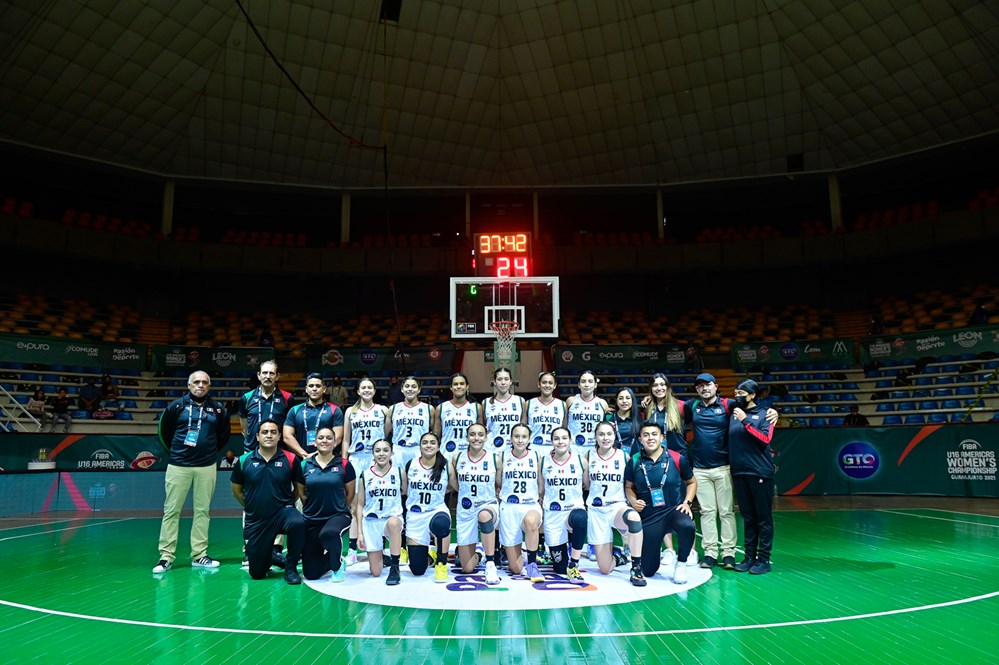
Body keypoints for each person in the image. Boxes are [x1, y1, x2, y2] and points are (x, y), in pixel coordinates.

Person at [685, 373, 778, 571]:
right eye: (700, 386)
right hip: (715, 470)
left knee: (734, 513)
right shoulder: (694, 406)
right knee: (716, 513)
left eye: (707, 384)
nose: (704, 388)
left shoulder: (731, 407)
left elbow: (763, 433)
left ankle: (735, 554)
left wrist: (773, 413)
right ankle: (719, 554)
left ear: (716, 386)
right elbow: (671, 406)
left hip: (734, 468)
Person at [153, 371, 230, 573]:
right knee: (171, 511)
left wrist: (208, 452)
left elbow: (223, 435)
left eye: (205, 382)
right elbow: (164, 433)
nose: (200, 385)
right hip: (178, 465)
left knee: (203, 511)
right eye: (196, 382)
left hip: (206, 466)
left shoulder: (218, 409)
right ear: (188, 385)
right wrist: (177, 452)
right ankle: (166, 557)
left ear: (209, 386)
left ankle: (199, 555)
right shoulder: (176, 406)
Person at [230, 419, 305, 584]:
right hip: (257, 518)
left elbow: (298, 490)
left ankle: (291, 567)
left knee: (298, 522)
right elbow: (236, 489)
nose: (269, 435)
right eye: (265, 432)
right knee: (257, 573)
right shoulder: (244, 460)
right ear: (257, 436)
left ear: (279, 436)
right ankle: (271, 556)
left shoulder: (291, 459)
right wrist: (251, 505)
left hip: (282, 512)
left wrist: (287, 504)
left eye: (273, 432)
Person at [624, 422, 697, 583]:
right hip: (650, 516)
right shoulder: (635, 460)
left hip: (673, 510)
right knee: (648, 570)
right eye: (646, 435)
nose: (651, 438)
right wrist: (633, 501)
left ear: (662, 437)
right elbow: (628, 487)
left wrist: (687, 502)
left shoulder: (677, 458)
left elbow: (692, 482)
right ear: (640, 440)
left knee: (687, 525)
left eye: (654, 434)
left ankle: (681, 564)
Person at [588, 422, 646, 586]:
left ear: (614, 436)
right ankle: (618, 557)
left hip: (616, 507)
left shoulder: (623, 456)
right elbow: (586, 484)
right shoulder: (588, 456)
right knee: (605, 569)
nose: (605, 438)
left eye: (609, 434)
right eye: (601, 434)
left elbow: (629, 485)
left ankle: (636, 568)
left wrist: (634, 501)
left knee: (633, 517)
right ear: (596, 437)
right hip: (597, 512)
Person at [728, 379, 776, 575]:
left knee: (763, 518)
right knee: (748, 517)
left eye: (742, 392)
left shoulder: (766, 414)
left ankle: (764, 559)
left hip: (760, 472)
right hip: (739, 472)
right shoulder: (732, 414)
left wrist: (745, 421)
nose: (738, 396)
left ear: (752, 395)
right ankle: (749, 557)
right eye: (736, 392)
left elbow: (765, 439)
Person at [299, 427, 355, 583]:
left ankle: (336, 568)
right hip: (312, 519)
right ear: (315, 442)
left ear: (335, 442)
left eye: (329, 438)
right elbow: (302, 493)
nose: (325, 441)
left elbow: (350, 494)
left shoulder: (344, 465)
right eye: (321, 438)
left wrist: (340, 509)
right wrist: (313, 508)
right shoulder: (305, 465)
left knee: (329, 533)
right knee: (311, 573)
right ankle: (336, 560)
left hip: (337, 516)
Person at [343, 377, 389, 564]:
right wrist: (345, 462)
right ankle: (352, 549)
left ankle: (381, 548)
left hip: (376, 459)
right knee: (355, 507)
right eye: (363, 387)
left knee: (380, 504)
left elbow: (386, 435)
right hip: (356, 459)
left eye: (370, 387)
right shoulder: (350, 412)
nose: (367, 390)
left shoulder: (383, 410)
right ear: (358, 391)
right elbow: (346, 439)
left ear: (374, 391)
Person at [449, 423, 501, 585]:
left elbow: (499, 484)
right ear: (466, 437)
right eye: (472, 434)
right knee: (467, 568)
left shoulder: (494, 458)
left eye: (480, 434)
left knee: (484, 516)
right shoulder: (457, 458)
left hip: (488, 506)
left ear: (486, 438)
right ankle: (479, 554)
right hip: (465, 510)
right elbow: (455, 484)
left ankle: (491, 563)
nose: (476, 438)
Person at [497, 423, 545, 583]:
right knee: (516, 569)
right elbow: (498, 482)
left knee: (531, 522)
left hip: (530, 504)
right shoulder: (501, 456)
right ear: (511, 438)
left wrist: (541, 497)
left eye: (524, 436)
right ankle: (521, 555)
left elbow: (540, 480)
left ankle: (532, 563)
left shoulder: (536, 456)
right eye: (516, 436)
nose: (520, 440)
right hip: (508, 507)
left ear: (529, 439)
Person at [402, 432, 452, 583]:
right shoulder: (411, 464)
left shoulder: (446, 466)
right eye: (425, 442)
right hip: (416, 514)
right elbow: (405, 490)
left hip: (436, 511)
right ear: (420, 446)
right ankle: (431, 556)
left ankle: (441, 563)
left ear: (438, 446)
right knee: (417, 570)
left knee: (441, 524)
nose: (428, 445)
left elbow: (455, 486)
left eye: (432, 442)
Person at [541, 427, 587, 580]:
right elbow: (541, 489)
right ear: (551, 441)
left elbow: (586, 485)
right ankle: (565, 554)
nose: (560, 441)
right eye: (556, 438)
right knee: (560, 568)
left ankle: (574, 563)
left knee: (580, 518)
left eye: (564, 438)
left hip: (572, 511)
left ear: (570, 440)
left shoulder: (580, 460)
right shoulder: (543, 461)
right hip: (553, 514)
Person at [356, 439, 405, 585]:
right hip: (371, 521)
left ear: (391, 453)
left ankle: (395, 567)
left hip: (390, 519)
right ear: (373, 454)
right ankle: (384, 558)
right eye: (377, 451)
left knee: (394, 523)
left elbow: (406, 493)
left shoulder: (399, 472)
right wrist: (359, 533)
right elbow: (359, 505)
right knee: (376, 572)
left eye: (385, 450)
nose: (381, 454)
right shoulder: (365, 475)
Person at [283, 373, 344, 458]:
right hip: (302, 460)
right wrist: (304, 455)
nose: (314, 389)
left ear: (324, 389)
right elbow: (287, 436)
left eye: (318, 386)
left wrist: (318, 454)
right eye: (311, 386)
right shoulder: (295, 410)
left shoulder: (335, 410)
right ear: (306, 389)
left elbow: (337, 438)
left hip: (327, 460)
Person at [238, 360, 294, 453]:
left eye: (271, 373)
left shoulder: (287, 398)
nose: (268, 376)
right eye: (265, 373)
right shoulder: (246, 398)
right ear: (259, 375)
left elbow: (290, 425)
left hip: (279, 451)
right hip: (251, 450)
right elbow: (244, 424)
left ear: (277, 376)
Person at [386, 376, 434, 470]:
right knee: (399, 482)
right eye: (407, 386)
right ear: (402, 389)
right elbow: (384, 433)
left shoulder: (429, 409)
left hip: (419, 450)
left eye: (413, 386)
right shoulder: (393, 409)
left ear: (419, 390)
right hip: (398, 450)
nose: (410, 389)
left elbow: (435, 434)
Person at [435, 372, 482, 461]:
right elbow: (436, 436)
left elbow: (481, 434)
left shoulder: (476, 407)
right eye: (455, 384)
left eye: (462, 384)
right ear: (451, 387)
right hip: (446, 454)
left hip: (469, 455)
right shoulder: (441, 408)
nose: (459, 386)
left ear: (467, 386)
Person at [565, 371, 610, 457]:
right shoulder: (571, 401)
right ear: (578, 384)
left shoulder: (602, 403)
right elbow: (564, 425)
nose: (586, 384)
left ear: (595, 384)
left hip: (595, 447)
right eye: (583, 381)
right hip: (573, 447)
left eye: (590, 381)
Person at [483, 367, 526, 455]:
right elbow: (484, 428)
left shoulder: (520, 401)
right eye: (499, 379)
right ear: (494, 382)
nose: (503, 383)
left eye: (506, 379)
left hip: (514, 450)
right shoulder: (486, 403)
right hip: (492, 449)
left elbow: (523, 427)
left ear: (510, 382)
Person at [526, 371, 566, 458]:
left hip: (554, 448)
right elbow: (523, 428)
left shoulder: (562, 405)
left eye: (550, 383)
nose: (547, 385)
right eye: (544, 382)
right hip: (534, 447)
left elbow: (565, 429)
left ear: (555, 385)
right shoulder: (529, 404)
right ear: (538, 384)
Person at [611, 387, 643, 454]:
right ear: (616, 400)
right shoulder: (609, 418)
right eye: (620, 398)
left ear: (632, 400)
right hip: (615, 459)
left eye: (628, 398)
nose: (624, 401)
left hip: (636, 458)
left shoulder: (640, 417)